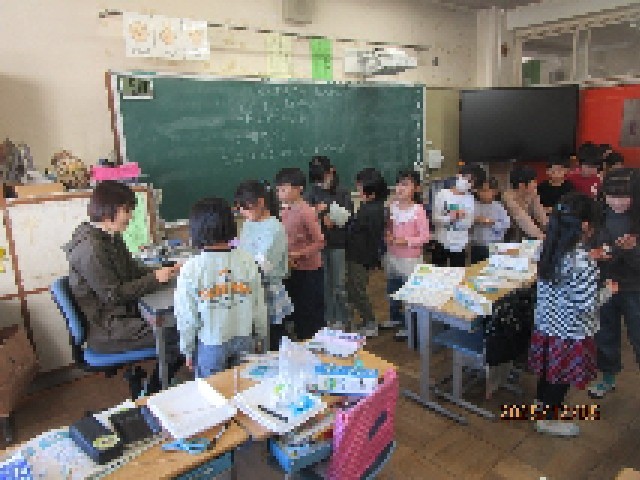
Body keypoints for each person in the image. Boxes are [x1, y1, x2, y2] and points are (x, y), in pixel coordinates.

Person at [64, 180, 181, 394]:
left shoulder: (110, 236)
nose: (130, 216)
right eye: (126, 210)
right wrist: (155, 278)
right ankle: (153, 393)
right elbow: (114, 295)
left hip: (122, 316)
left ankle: (159, 384)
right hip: (109, 329)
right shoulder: (91, 249)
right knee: (179, 332)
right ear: (108, 212)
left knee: (179, 322)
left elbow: (131, 269)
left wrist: (164, 270)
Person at [529, 192, 600, 437]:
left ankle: (540, 406)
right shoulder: (582, 262)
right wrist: (607, 291)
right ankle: (547, 421)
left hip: (546, 324)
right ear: (586, 226)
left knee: (548, 372)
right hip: (569, 332)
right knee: (559, 378)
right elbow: (586, 306)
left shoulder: (546, 248)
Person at [174, 197, 267, 378]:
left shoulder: (191, 268)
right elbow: (259, 305)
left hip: (211, 343)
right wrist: (261, 336)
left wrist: (187, 350)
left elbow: (187, 317)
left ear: (196, 230)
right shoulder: (247, 260)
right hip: (244, 337)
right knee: (244, 385)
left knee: (212, 391)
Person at [588, 168, 640, 399]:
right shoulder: (599, 215)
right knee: (605, 334)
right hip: (605, 285)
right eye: (612, 196)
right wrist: (595, 254)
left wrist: (632, 250)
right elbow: (589, 247)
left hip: (634, 288)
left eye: (624, 196)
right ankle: (608, 378)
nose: (617, 202)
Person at [235, 180, 292, 352]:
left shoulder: (274, 228)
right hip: (250, 287)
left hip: (268, 290)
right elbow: (242, 250)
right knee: (258, 338)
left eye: (245, 207)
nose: (242, 212)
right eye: (240, 208)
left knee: (272, 339)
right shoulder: (249, 222)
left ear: (260, 202)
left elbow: (263, 266)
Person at [275, 167, 326, 341]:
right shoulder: (283, 211)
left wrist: (298, 254)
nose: (279, 192)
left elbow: (320, 242)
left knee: (310, 312)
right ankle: (302, 339)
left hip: (309, 270)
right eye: (278, 189)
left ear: (299, 189)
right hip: (292, 269)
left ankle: (314, 342)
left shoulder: (306, 211)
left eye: (284, 188)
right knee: (297, 309)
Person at [305, 156, 353, 330]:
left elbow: (345, 218)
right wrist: (320, 215)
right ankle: (329, 319)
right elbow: (308, 218)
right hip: (320, 245)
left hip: (338, 243)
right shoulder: (311, 193)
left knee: (339, 284)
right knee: (325, 284)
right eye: (317, 180)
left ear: (331, 171)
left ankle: (344, 319)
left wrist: (326, 212)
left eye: (323, 178)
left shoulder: (343, 191)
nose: (320, 183)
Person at [382, 169, 430, 341]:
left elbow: (425, 237)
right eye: (398, 184)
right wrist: (387, 234)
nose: (400, 188)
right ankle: (395, 317)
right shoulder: (392, 207)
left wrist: (406, 241)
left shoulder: (418, 210)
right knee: (392, 289)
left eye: (405, 184)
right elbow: (387, 228)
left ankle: (410, 326)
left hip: (410, 260)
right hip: (392, 256)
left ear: (416, 188)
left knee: (410, 294)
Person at [345, 168, 388, 336]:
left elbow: (368, 235)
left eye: (360, 187)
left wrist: (348, 223)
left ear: (372, 191)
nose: (358, 190)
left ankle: (370, 323)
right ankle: (366, 320)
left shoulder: (373, 210)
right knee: (354, 288)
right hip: (358, 255)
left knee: (357, 290)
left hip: (361, 257)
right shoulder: (369, 206)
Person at [431, 166, 475, 267]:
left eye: (471, 182)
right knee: (438, 272)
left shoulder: (470, 198)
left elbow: (469, 222)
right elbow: (435, 219)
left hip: (460, 245)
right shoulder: (442, 194)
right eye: (466, 179)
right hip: (441, 242)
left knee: (457, 273)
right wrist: (451, 217)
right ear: (458, 176)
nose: (468, 183)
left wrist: (461, 218)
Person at [470, 177, 510, 264]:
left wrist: (491, 222)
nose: (482, 194)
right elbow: (465, 221)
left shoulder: (499, 207)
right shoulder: (473, 205)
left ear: (495, 192)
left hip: (494, 244)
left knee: (493, 267)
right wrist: (473, 220)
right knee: (476, 268)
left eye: (486, 191)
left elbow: (506, 224)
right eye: (480, 191)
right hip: (476, 245)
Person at [502, 165, 547, 241]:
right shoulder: (508, 197)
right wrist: (539, 234)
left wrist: (552, 230)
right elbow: (522, 218)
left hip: (526, 233)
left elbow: (540, 214)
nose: (535, 184)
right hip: (509, 235)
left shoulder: (532, 193)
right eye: (533, 182)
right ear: (521, 185)